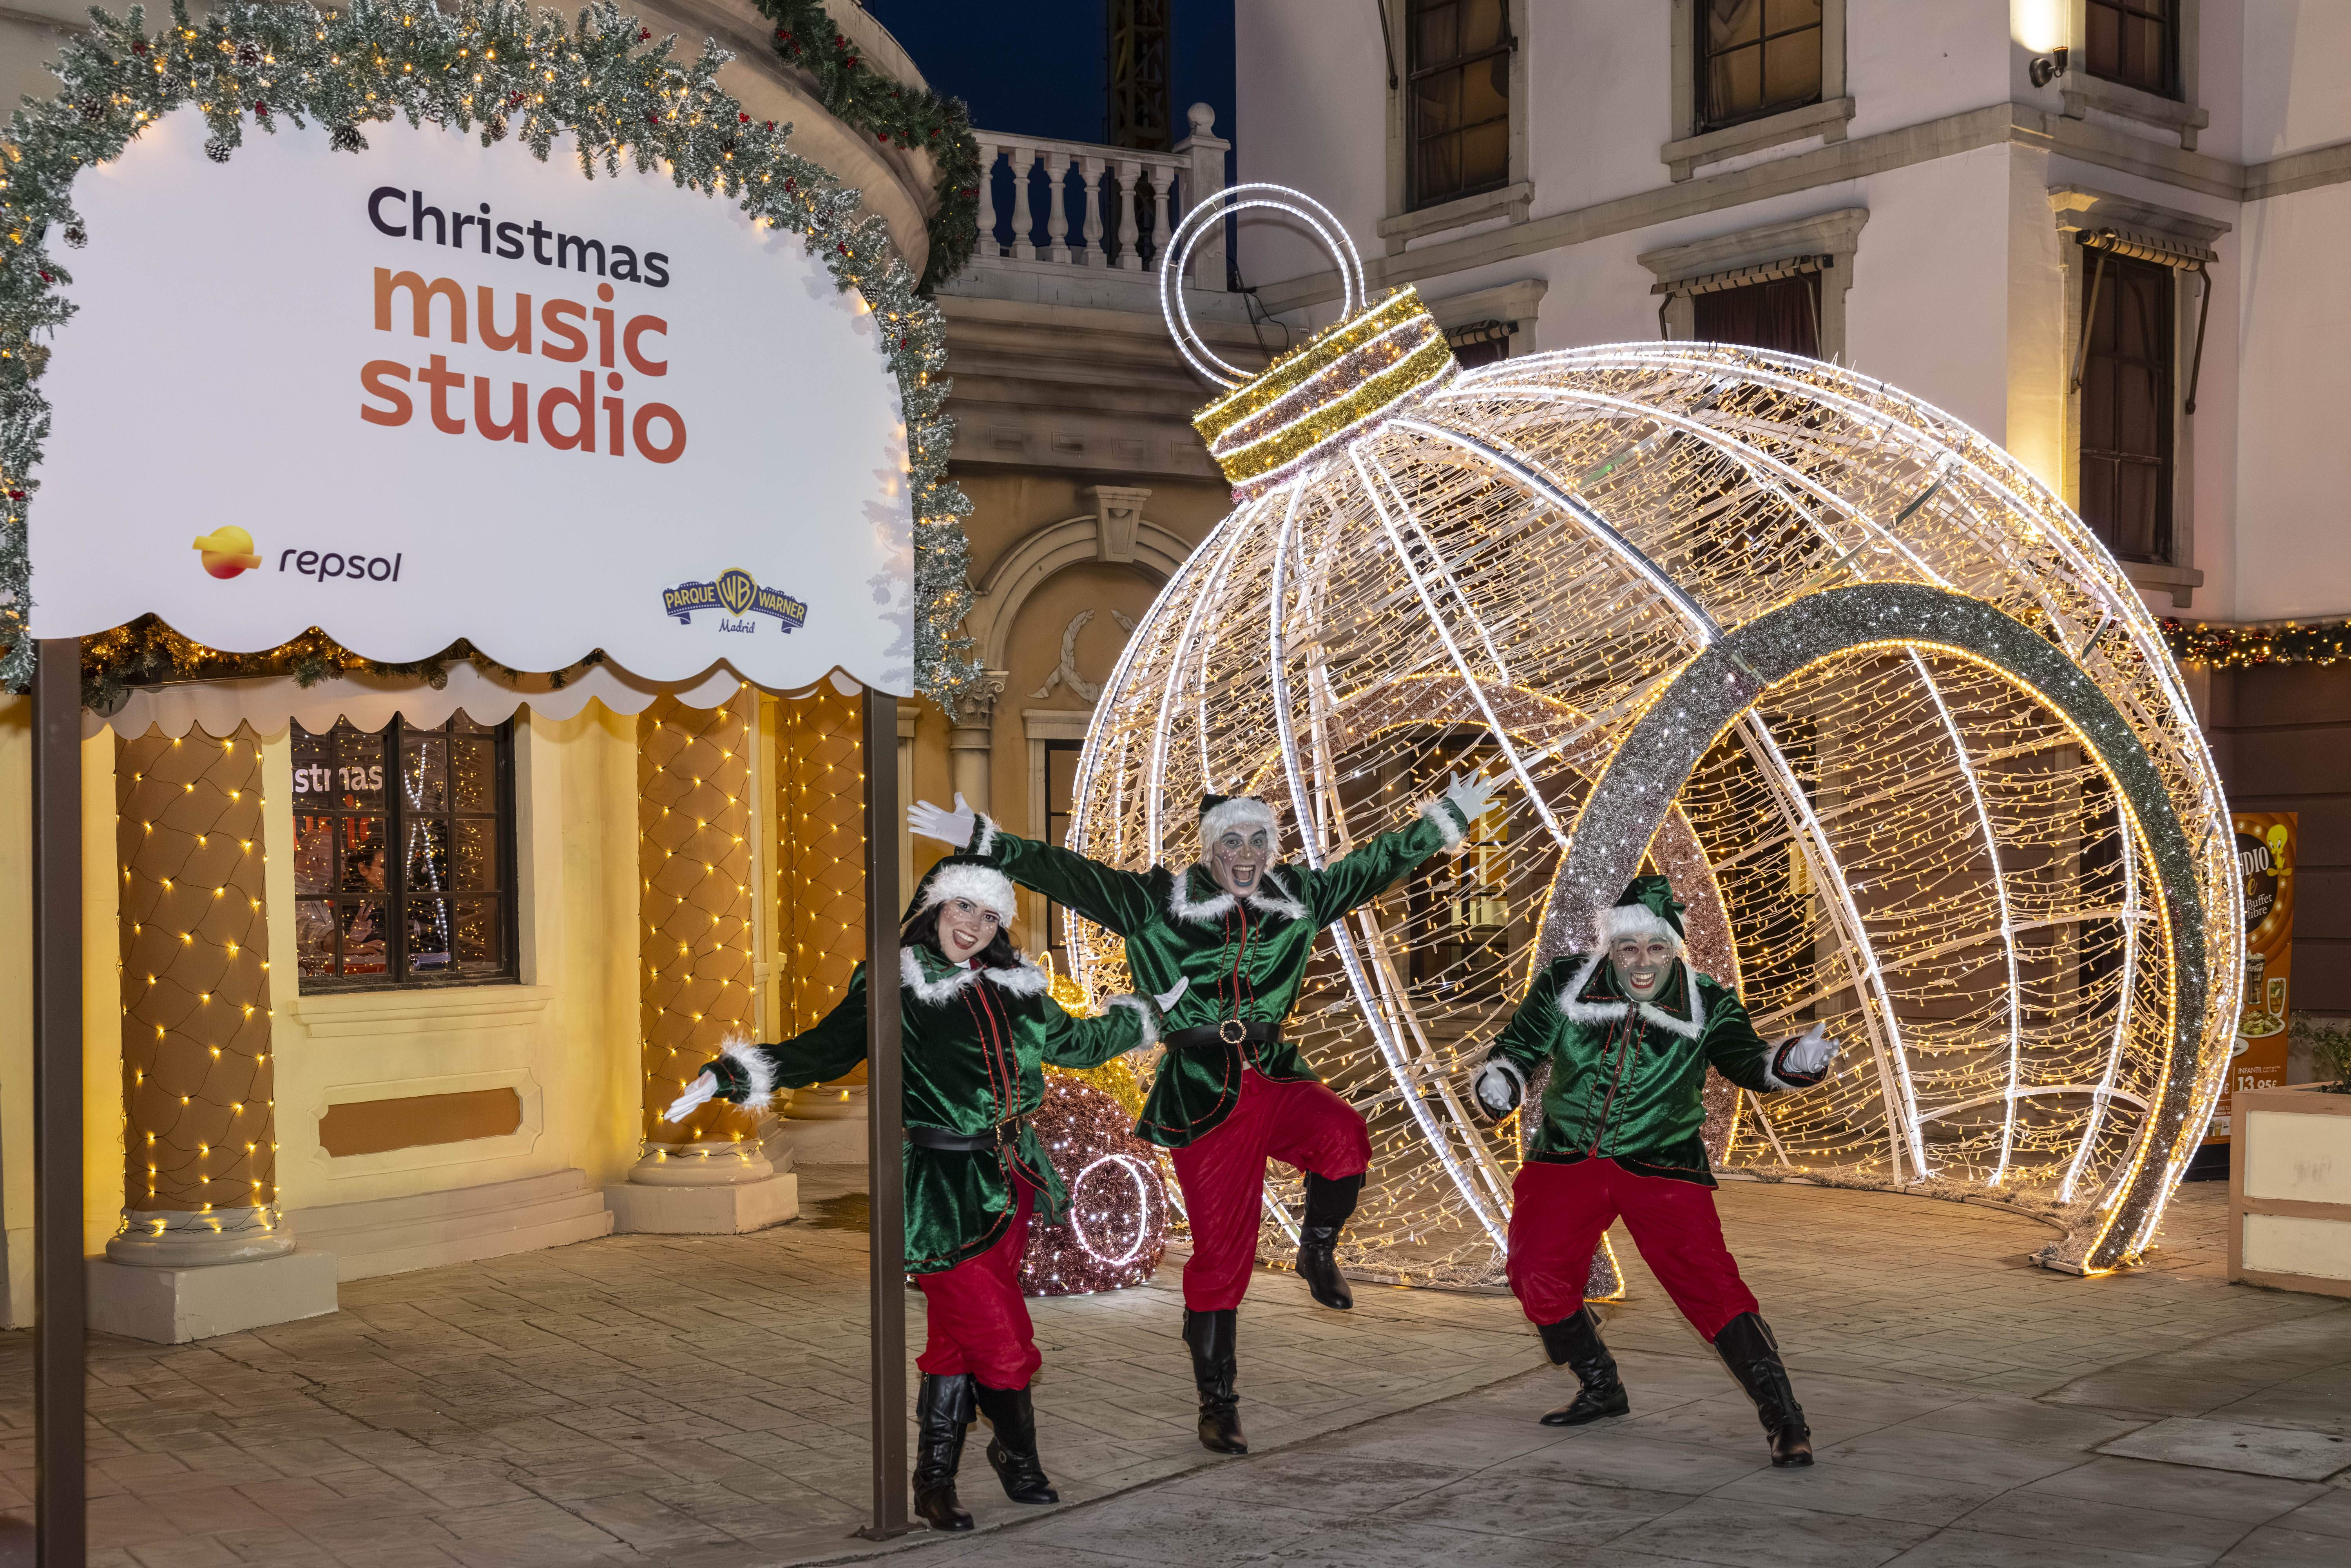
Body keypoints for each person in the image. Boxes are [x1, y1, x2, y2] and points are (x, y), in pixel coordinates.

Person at [908, 776, 1501, 1455]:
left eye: (1257, 841)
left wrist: (1446, 817)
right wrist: (987, 842)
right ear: (1211, 849)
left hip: (1275, 1076)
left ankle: (1318, 1247)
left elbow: (1378, 864)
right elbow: (1067, 873)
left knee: (1344, 1135)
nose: (1245, 854)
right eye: (1232, 841)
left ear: (1270, 848)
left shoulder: (1299, 897)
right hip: (1202, 1095)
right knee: (1224, 1257)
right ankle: (1218, 1402)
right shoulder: (1156, 903)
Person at [663, 856, 1183, 1531]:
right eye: (963, 907)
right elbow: (825, 1048)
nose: (973, 925)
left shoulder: (1019, 986)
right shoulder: (895, 983)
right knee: (1001, 1339)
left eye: (989, 914)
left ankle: (933, 1481)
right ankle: (1017, 1456)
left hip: (1015, 1180)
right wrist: (728, 1075)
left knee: (953, 1340)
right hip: (940, 1189)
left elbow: (1080, 1041)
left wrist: (1145, 1012)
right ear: (936, 907)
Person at [1472, 874, 1841, 1467]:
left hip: (1663, 1161)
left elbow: (1747, 1061)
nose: (1642, 964)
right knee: (1534, 1273)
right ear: (1610, 948)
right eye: (1628, 949)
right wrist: (1502, 1079)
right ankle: (1601, 1384)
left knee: (1711, 1288)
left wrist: (1790, 1060)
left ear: (1675, 949)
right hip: (1569, 1154)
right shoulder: (1566, 985)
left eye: (1656, 949)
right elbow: (1520, 1045)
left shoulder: (1706, 1002)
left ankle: (1785, 1417)